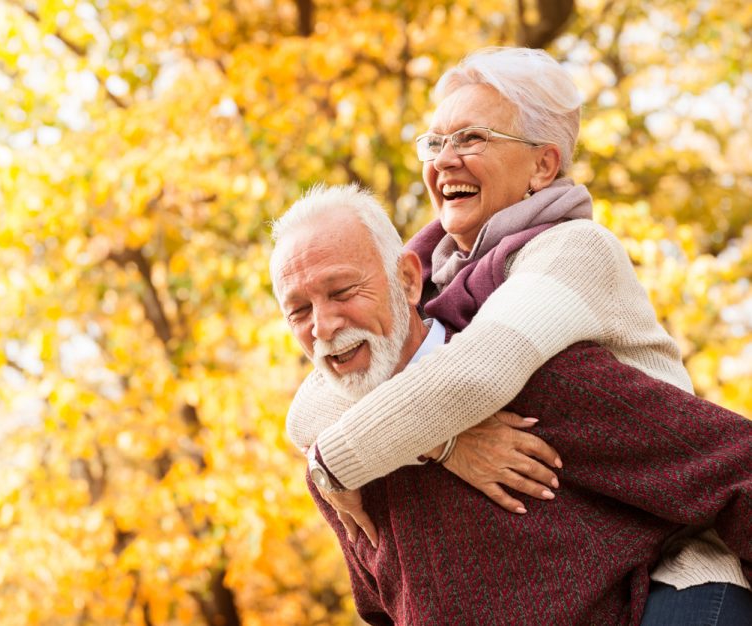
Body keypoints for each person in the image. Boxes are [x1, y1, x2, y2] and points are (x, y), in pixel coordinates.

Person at [280, 47, 752, 623]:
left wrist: (332, 464)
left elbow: (476, 374)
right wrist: (445, 444)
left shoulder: (573, 250)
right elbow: (312, 404)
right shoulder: (430, 283)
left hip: (669, 557)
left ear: (542, 166)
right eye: (435, 142)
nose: (444, 160)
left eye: (471, 138)